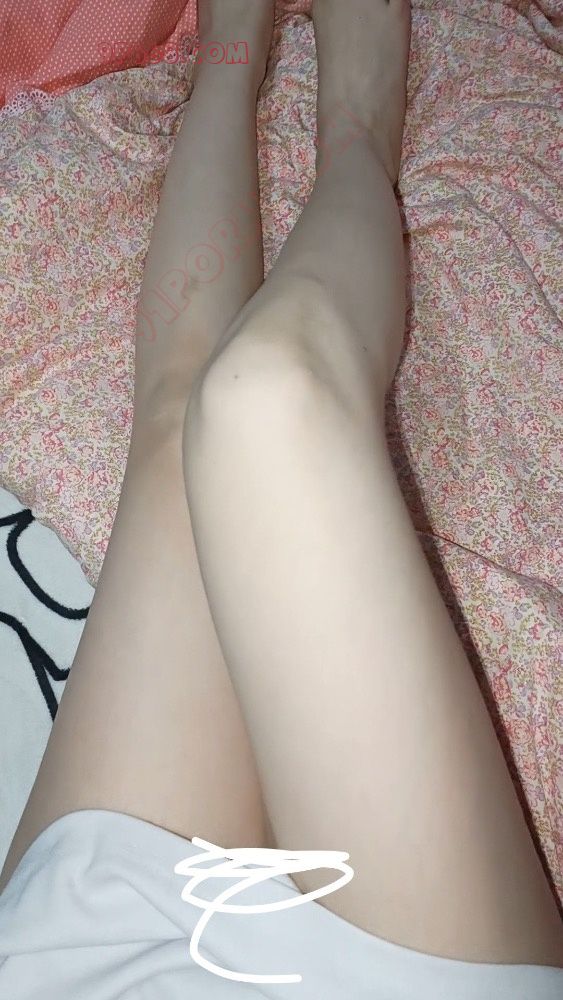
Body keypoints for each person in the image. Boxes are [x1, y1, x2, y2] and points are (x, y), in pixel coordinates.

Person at [0, 1, 562, 996]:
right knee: (270, 397)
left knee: (175, 420)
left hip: (89, 962)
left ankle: (231, 54)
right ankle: (357, 129)